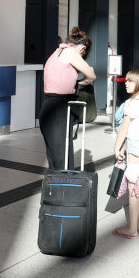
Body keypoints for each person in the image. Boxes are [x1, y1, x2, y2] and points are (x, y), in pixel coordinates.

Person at [40, 27, 96, 170]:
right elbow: (91, 75)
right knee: (63, 155)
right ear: (82, 48)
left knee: (54, 154)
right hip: (60, 108)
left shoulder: (56, 52)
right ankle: (65, 183)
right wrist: (80, 83)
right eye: (83, 54)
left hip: (48, 106)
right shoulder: (71, 52)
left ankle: (55, 183)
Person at [112, 69, 139, 239]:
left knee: (133, 186)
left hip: (136, 146)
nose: (126, 83)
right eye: (126, 80)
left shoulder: (131, 103)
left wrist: (117, 148)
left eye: (130, 81)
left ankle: (131, 228)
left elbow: (124, 129)